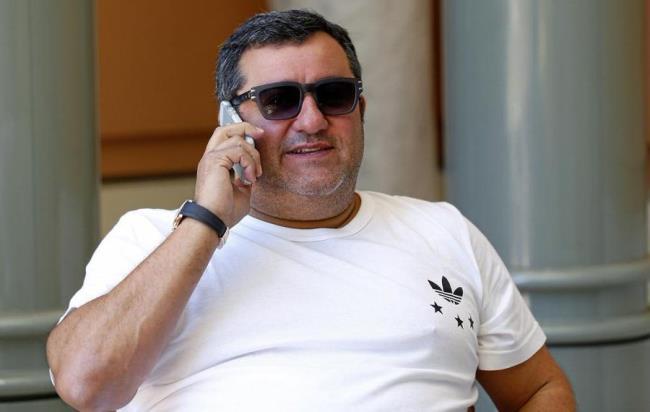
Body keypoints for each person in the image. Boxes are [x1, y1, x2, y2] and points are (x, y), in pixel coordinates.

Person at [46, 9, 575, 411]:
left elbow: (539, 388)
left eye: (333, 95)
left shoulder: (443, 230)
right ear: (231, 122)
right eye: (279, 100)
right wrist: (207, 220)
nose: (312, 120)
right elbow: (86, 386)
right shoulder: (151, 238)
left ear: (360, 110)